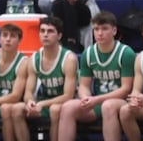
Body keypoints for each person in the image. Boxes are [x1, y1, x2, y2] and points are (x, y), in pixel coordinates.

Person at [56, 12, 137, 141]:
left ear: (114, 31)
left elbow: (126, 89)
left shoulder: (126, 53)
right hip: (98, 102)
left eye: (104, 29)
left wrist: (96, 100)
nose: (99, 33)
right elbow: (83, 85)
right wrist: (85, 98)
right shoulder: (88, 53)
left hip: (122, 103)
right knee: (67, 107)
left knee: (108, 106)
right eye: (96, 29)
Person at [7, 17, 78, 141]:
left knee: (55, 110)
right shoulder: (34, 58)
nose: (45, 35)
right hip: (44, 101)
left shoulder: (69, 58)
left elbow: (68, 95)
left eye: (50, 31)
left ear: (59, 36)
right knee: (16, 109)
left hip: (65, 103)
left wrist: (41, 104)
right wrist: (30, 102)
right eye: (42, 31)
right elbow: (29, 91)